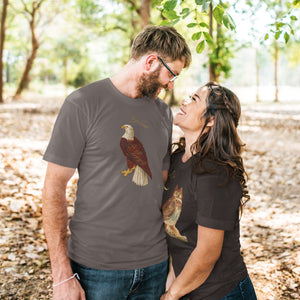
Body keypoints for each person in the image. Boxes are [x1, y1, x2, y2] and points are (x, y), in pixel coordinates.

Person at [42, 25, 191, 300]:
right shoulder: (82, 103)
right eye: (172, 74)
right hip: (96, 268)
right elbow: (53, 187)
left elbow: (162, 187)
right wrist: (62, 274)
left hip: (155, 265)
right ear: (150, 62)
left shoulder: (162, 114)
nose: (171, 84)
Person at [161, 82, 257, 300]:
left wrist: (171, 295)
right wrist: (172, 284)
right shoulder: (177, 160)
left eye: (195, 99)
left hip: (223, 293)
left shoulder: (214, 173)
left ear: (212, 119)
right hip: (189, 288)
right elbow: (180, 233)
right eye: (189, 95)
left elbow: (207, 253)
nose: (185, 101)